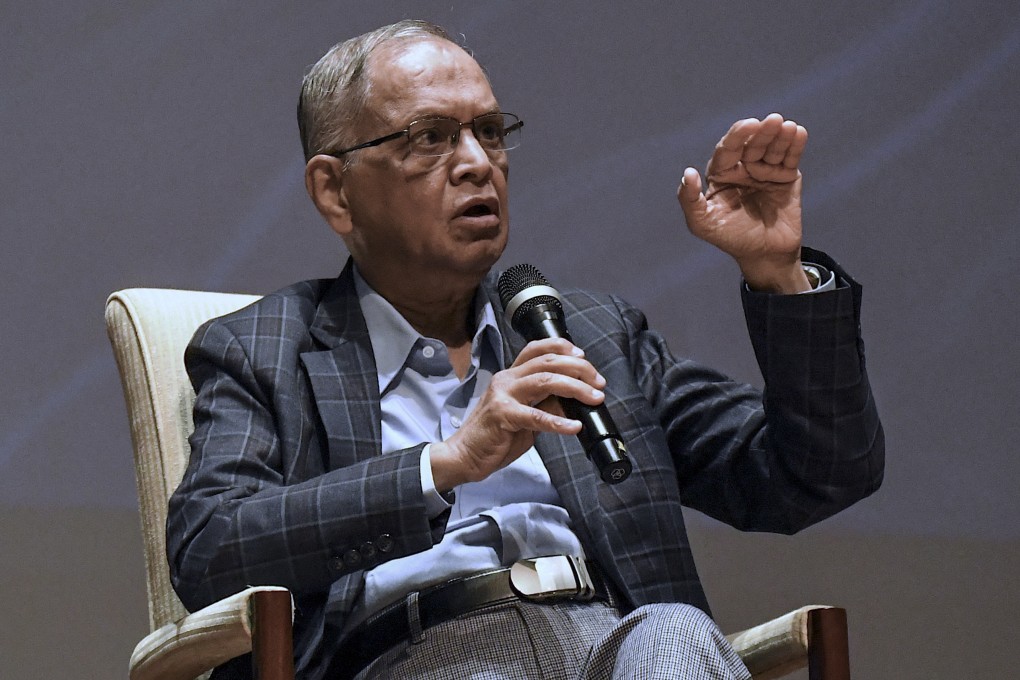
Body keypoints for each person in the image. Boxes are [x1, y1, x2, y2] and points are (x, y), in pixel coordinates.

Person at [167, 19, 884, 680]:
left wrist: (776, 272)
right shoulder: (266, 348)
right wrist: (444, 464)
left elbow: (815, 474)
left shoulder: (588, 332)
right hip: (414, 656)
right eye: (430, 137)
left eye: (489, 131)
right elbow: (210, 550)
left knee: (676, 632)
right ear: (335, 192)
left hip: (614, 646)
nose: (477, 162)